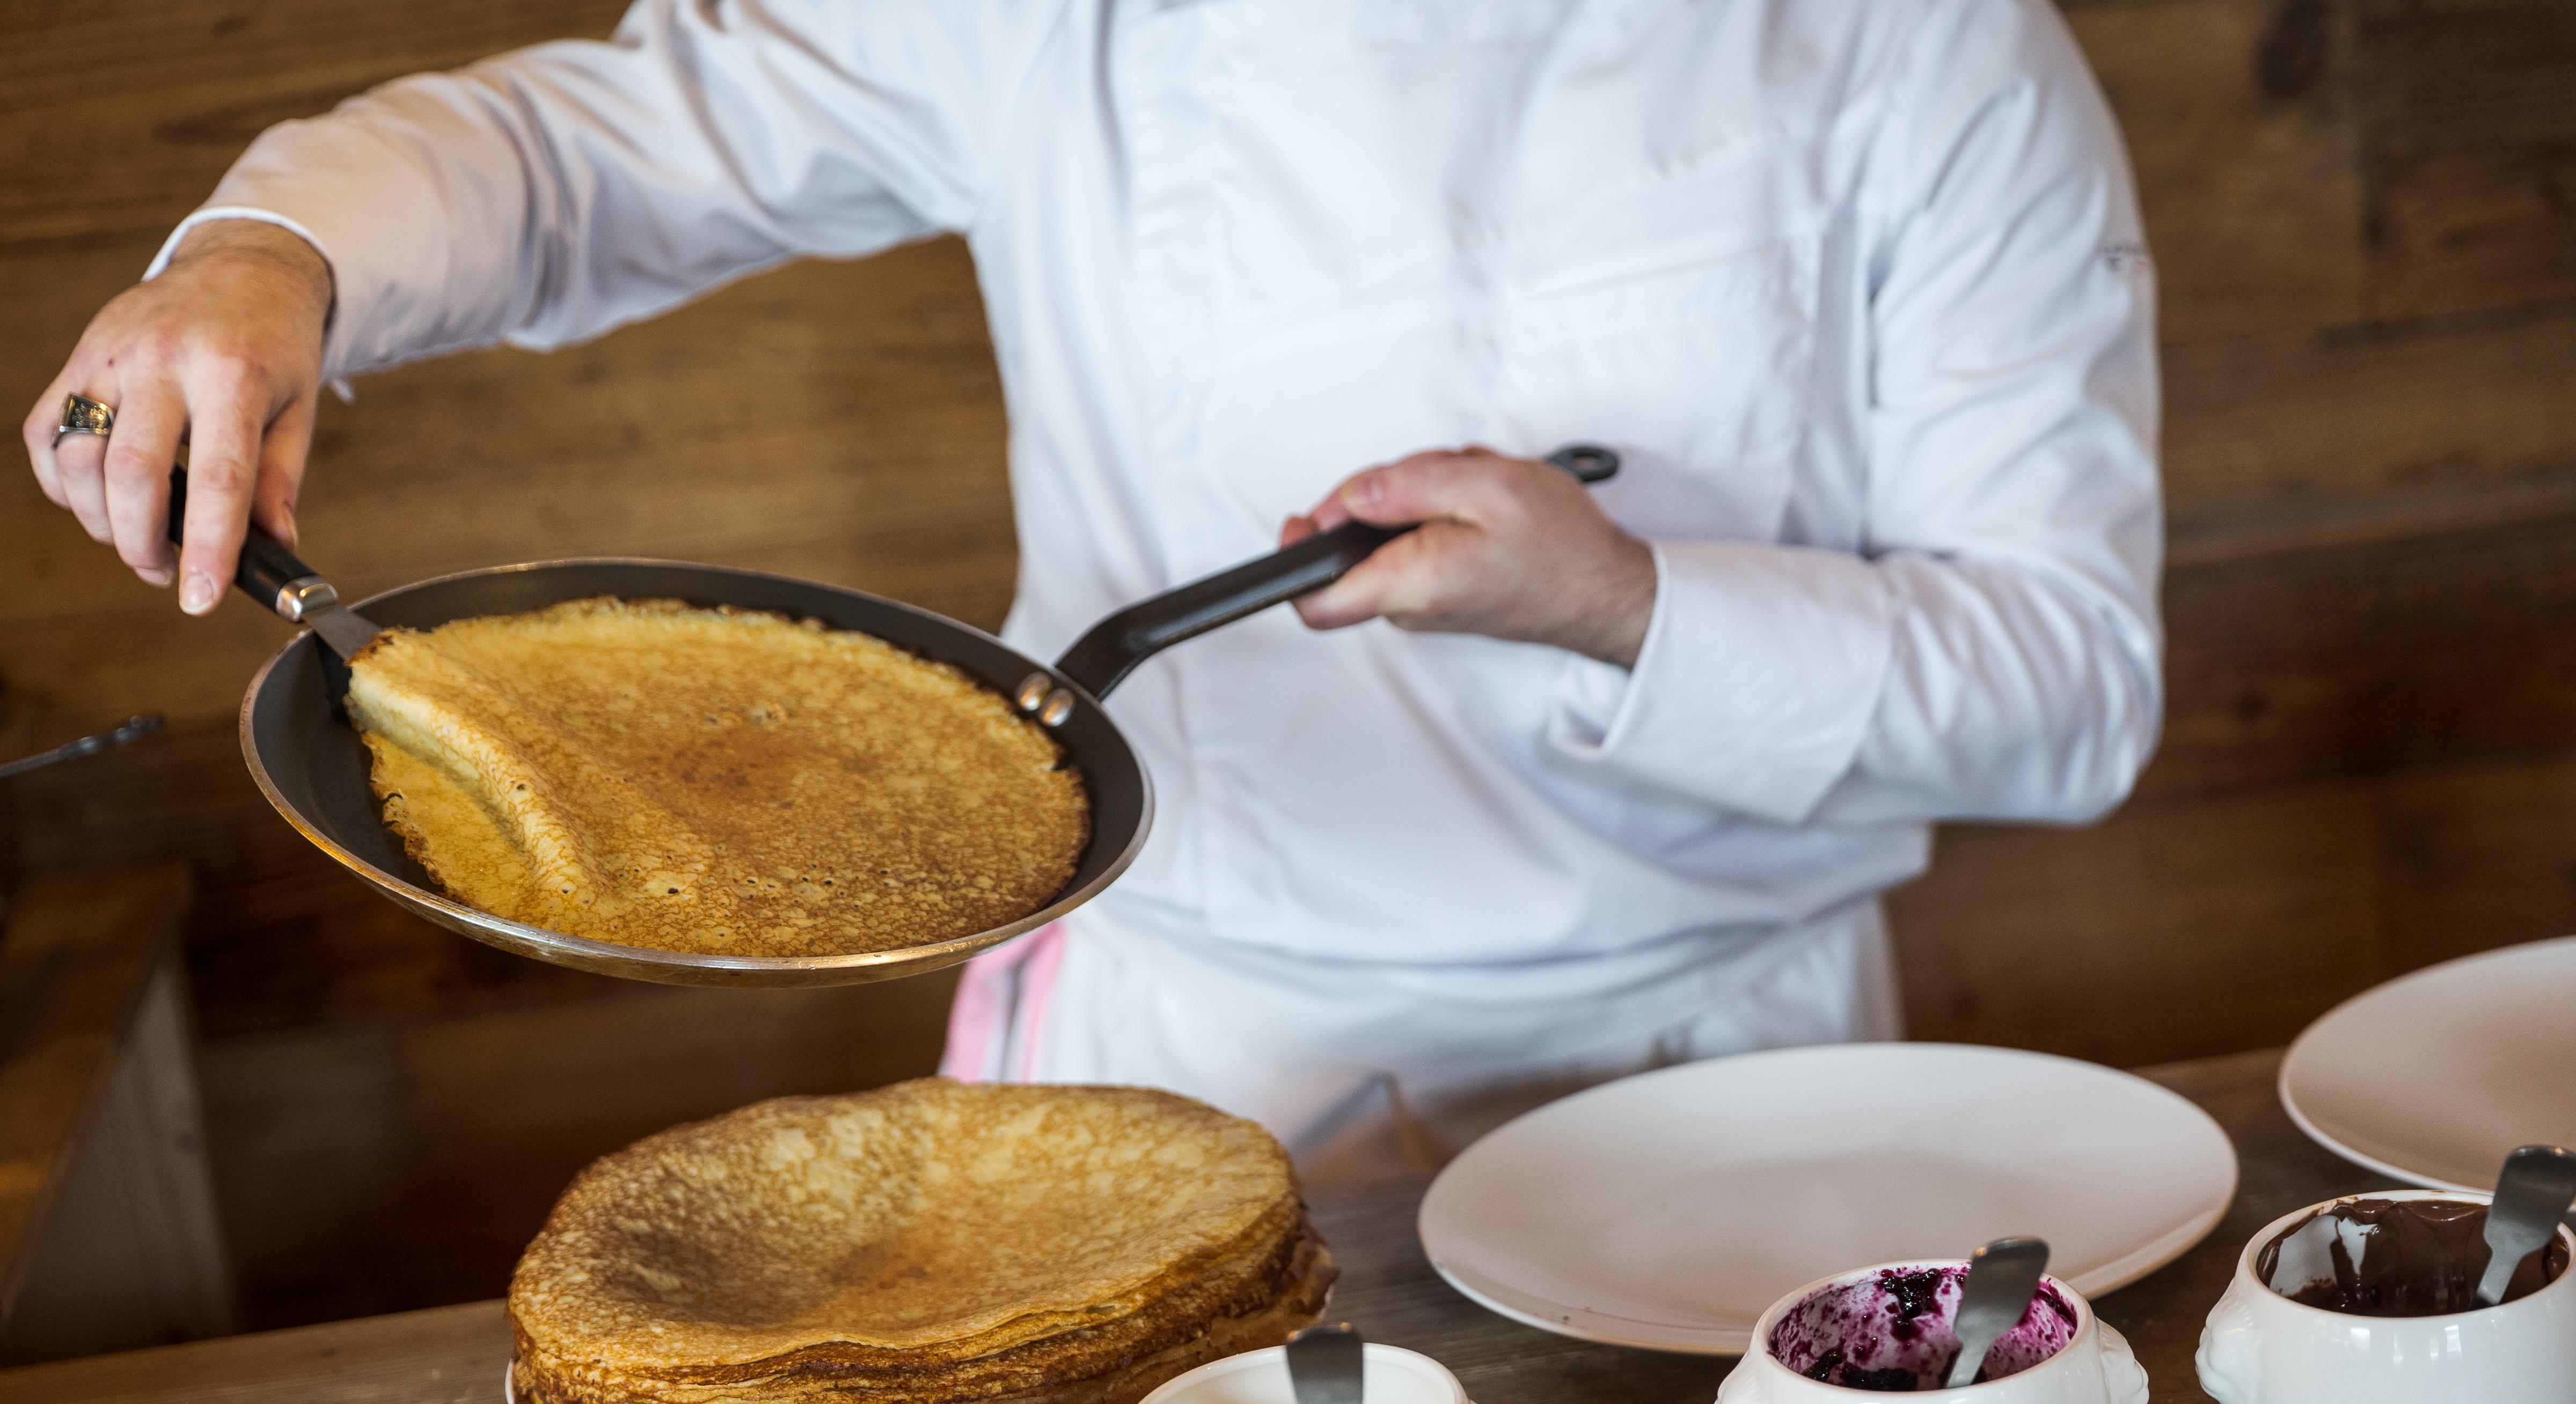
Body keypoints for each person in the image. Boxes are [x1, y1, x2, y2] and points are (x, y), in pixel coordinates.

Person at [24, 1, 2160, 1184]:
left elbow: (2077, 685)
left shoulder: (1932, 54)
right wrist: (269, 249)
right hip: (1194, 1040)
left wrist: (1623, 601)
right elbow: (591, 152)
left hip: (1738, 1065)